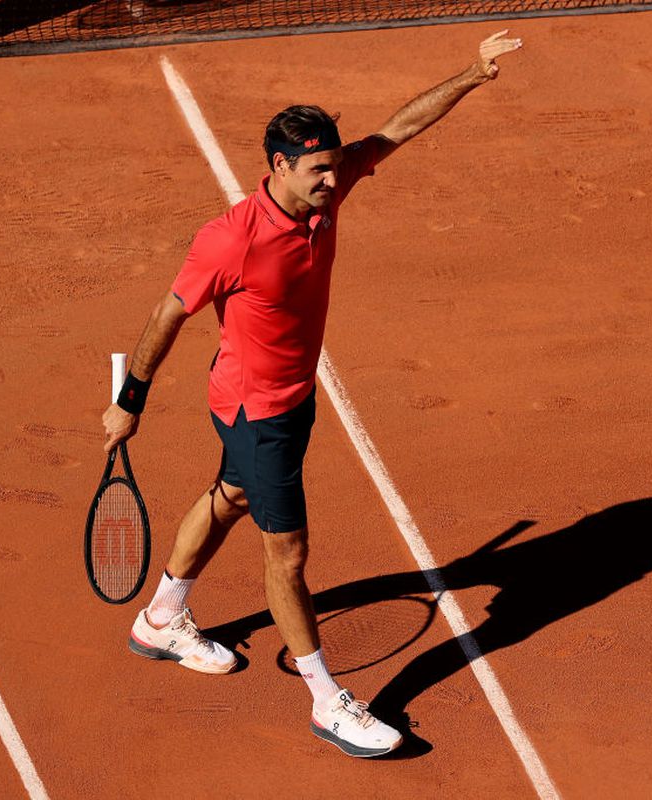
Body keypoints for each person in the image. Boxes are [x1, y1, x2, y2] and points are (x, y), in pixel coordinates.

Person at [101, 30, 523, 758]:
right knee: (288, 555)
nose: (335, 181)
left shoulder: (328, 195)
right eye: (320, 171)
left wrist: (472, 74)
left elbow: (397, 129)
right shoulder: (231, 240)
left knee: (231, 496)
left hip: (287, 403)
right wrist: (129, 400)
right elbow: (170, 312)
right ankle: (328, 700)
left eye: (335, 167)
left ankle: (162, 617)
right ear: (280, 166)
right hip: (255, 411)